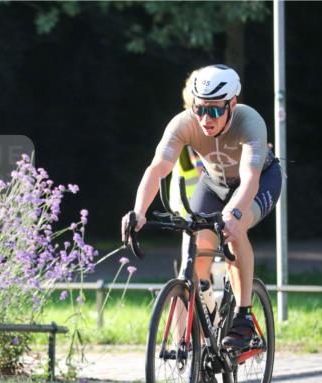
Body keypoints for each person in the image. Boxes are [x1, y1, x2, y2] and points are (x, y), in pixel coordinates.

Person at [121, 64, 283, 349]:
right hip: (214, 183)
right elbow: (157, 168)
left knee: (235, 228)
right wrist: (138, 212)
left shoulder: (250, 122)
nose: (206, 118)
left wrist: (233, 215)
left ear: (232, 104)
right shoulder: (184, 123)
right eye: (200, 109)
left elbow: (249, 179)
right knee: (196, 253)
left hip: (257, 182)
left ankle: (243, 315)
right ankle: (198, 330)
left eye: (216, 110)